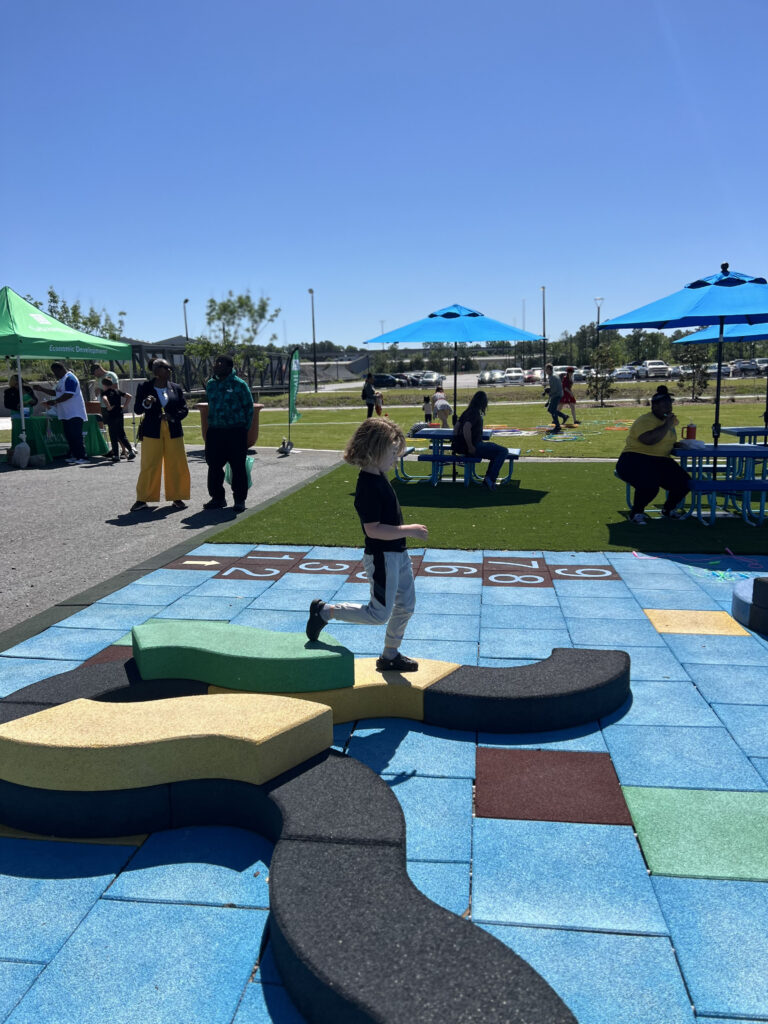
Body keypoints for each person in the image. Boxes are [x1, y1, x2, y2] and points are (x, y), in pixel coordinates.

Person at [306, 417, 428, 672]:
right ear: (374, 450)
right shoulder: (367, 487)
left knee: (406, 605)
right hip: (382, 557)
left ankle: (390, 655)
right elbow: (373, 530)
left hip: (397, 554)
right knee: (379, 614)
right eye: (392, 453)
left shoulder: (380, 475)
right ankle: (325, 612)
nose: (396, 459)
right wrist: (410, 530)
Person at [615, 385, 691, 525]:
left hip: (660, 461)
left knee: (684, 482)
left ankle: (668, 509)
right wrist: (666, 425)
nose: (669, 408)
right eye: (665, 405)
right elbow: (649, 440)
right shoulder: (645, 420)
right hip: (635, 458)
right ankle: (636, 513)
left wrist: (676, 445)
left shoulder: (668, 422)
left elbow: (663, 441)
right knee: (649, 484)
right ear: (654, 406)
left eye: (670, 404)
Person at [131, 358, 190, 512]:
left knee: (176, 463)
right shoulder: (144, 387)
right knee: (149, 464)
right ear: (156, 371)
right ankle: (143, 498)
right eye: (166, 367)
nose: (169, 370)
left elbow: (184, 409)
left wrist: (172, 417)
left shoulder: (175, 388)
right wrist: (147, 403)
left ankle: (177, 497)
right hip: (152, 430)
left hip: (173, 430)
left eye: (170, 368)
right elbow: (138, 409)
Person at [203, 353, 254, 512]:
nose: (216, 366)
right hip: (215, 432)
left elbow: (249, 408)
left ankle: (239, 500)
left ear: (229, 367)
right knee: (214, 466)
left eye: (220, 363)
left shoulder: (239, 385)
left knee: (238, 467)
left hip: (235, 432)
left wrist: (242, 429)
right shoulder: (211, 384)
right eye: (215, 363)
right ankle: (217, 498)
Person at [452, 390, 509, 490]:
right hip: (475, 446)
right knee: (503, 451)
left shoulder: (466, 411)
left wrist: (458, 442)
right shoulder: (474, 413)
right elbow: (466, 427)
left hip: (463, 447)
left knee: (495, 453)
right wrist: (470, 446)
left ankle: (489, 478)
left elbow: (456, 427)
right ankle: (490, 478)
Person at [36, 362, 88, 463]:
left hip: (74, 412)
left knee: (76, 435)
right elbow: (56, 392)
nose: (55, 375)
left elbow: (69, 394)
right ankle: (74, 455)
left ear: (60, 369)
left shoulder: (70, 378)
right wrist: (41, 389)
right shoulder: (62, 380)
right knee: (69, 435)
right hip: (65, 413)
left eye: (55, 372)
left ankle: (82, 457)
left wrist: (55, 401)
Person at [101, 378, 135, 462]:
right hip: (119, 414)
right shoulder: (117, 391)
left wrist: (108, 407)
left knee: (113, 435)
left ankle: (116, 455)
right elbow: (129, 396)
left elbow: (105, 399)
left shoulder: (105, 393)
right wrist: (125, 406)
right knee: (121, 434)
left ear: (104, 385)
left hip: (112, 416)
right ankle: (131, 451)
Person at [544, 364, 567, 433]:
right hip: (558, 394)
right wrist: (548, 390)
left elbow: (554, 389)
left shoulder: (552, 377)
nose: (545, 371)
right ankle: (564, 416)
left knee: (552, 410)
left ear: (549, 369)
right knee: (551, 410)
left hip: (557, 395)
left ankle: (557, 426)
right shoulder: (554, 375)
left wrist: (549, 391)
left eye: (546, 369)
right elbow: (554, 388)